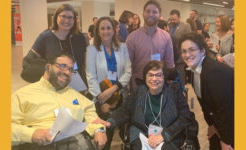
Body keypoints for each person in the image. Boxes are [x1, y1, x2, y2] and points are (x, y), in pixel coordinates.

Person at [93, 60, 198, 150]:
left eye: (158, 75)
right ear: (145, 77)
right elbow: (125, 111)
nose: (154, 79)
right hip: (141, 132)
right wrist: (109, 122)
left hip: (168, 134)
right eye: (150, 75)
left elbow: (185, 117)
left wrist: (164, 135)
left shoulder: (174, 92)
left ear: (164, 77)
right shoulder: (139, 92)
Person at [12, 53, 107, 150]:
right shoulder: (22, 95)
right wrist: (31, 134)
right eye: (62, 66)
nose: (67, 72)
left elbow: (90, 112)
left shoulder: (75, 95)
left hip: (75, 142)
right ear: (48, 67)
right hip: (40, 145)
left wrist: (99, 130)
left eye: (70, 69)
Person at [179, 32, 234, 150]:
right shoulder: (193, 69)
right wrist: (211, 125)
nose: (187, 55)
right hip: (219, 123)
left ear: (203, 51)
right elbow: (204, 103)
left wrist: (226, 140)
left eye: (191, 50)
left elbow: (226, 109)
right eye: (183, 51)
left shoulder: (214, 72)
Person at [86, 16, 131, 150]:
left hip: (120, 96)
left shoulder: (123, 47)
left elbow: (128, 72)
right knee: (104, 137)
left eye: (108, 28)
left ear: (114, 30)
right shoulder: (92, 50)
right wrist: (102, 100)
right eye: (102, 28)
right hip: (101, 99)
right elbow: (90, 76)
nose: (106, 31)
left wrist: (113, 89)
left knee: (123, 133)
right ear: (98, 32)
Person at [23, 4, 88, 88]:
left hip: (77, 84)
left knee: (75, 101)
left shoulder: (79, 37)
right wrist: (51, 70)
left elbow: (84, 63)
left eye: (70, 17)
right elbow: (28, 62)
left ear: (74, 20)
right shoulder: (45, 37)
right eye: (63, 16)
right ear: (56, 17)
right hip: (52, 85)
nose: (66, 20)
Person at [126, 0, 174, 91]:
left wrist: (169, 87)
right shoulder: (131, 38)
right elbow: (128, 66)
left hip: (159, 83)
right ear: (143, 13)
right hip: (138, 84)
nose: (151, 14)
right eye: (148, 11)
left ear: (159, 15)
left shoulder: (166, 37)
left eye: (154, 12)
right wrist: (131, 88)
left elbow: (169, 64)